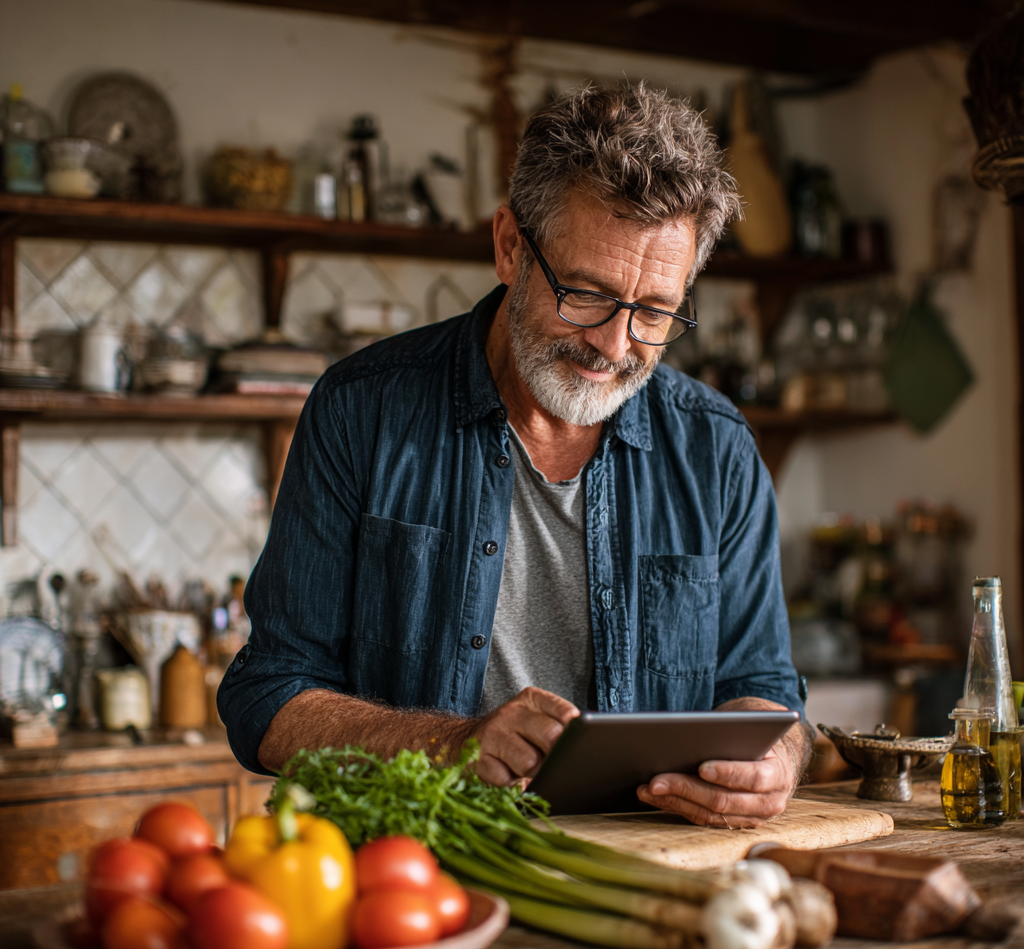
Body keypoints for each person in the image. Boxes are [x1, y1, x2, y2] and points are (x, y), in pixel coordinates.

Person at [220, 82, 811, 829]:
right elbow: (267, 694)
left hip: (649, 876)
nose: (615, 344)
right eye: (587, 294)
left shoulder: (716, 447)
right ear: (509, 247)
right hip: (412, 879)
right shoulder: (361, 409)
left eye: (656, 312)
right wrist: (446, 745)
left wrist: (773, 761)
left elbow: (764, 688)